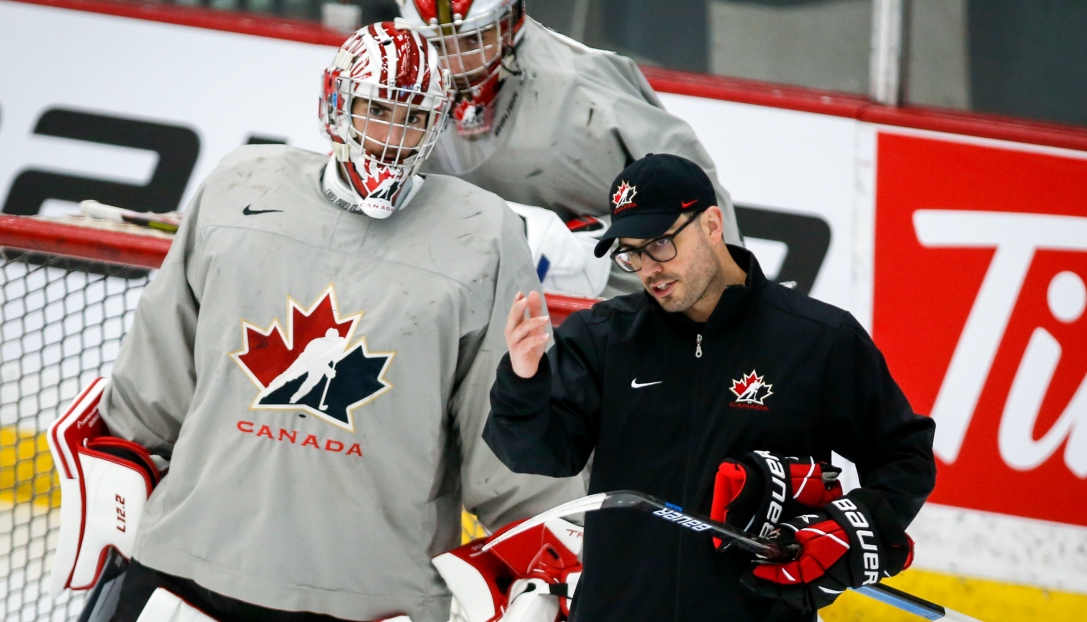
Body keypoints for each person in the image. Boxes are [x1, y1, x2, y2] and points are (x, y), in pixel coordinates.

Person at [62, 22, 584, 622]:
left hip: (368, 597)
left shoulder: (482, 236)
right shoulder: (239, 189)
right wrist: (119, 470)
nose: (392, 137)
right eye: (377, 109)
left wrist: (541, 551)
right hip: (187, 572)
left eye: (413, 118)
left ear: (437, 123)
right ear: (336, 104)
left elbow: (507, 418)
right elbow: (156, 380)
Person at [482, 153, 936, 620]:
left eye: (660, 243)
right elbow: (538, 455)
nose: (648, 268)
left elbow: (905, 454)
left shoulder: (817, 341)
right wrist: (523, 379)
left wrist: (848, 526)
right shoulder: (603, 337)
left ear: (713, 224)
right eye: (632, 252)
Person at [396, 0, 743, 297]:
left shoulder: (584, 83)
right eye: (436, 43)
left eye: (473, 38)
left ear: (509, 20)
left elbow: (692, 189)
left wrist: (730, 296)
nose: (456, 66)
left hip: (604, 304)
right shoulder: (393, 86)